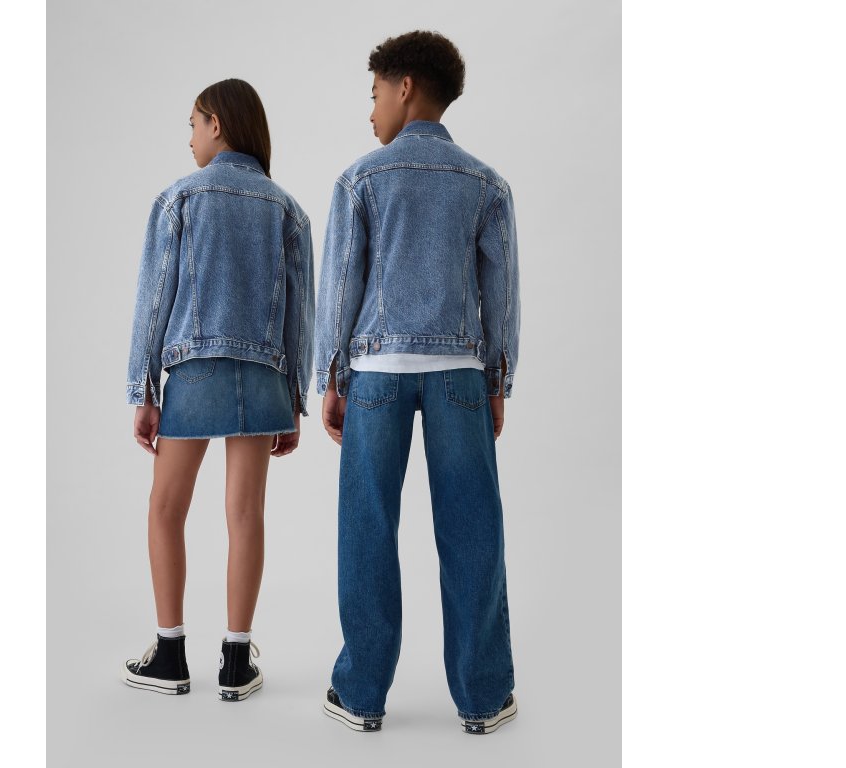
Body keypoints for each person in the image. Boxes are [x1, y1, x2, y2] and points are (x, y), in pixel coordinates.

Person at [314, 31, 521, 734]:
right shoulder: (486, 184)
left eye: (375, 93)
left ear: (405, 88)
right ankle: (484, 699)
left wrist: (333, 376)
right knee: (472, 530)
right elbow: (501, 295)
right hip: (461, 375)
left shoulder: (360, 179)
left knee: (367, 530)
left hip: (375, 375)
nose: (371, 110)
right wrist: (497, 379)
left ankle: (360, 696)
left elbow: (341, 288)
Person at [122, 78, 315, 702]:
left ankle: (170, 654)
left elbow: (155, 301)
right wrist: (295, 399)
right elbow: (301, 319)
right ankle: (236, 661)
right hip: (263, 378)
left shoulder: (179, 198)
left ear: (218, 125)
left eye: (193, 123)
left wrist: (143, 388)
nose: (189, 138)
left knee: (166, 508)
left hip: (194, 371)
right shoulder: (288, 209)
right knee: (246, 514)